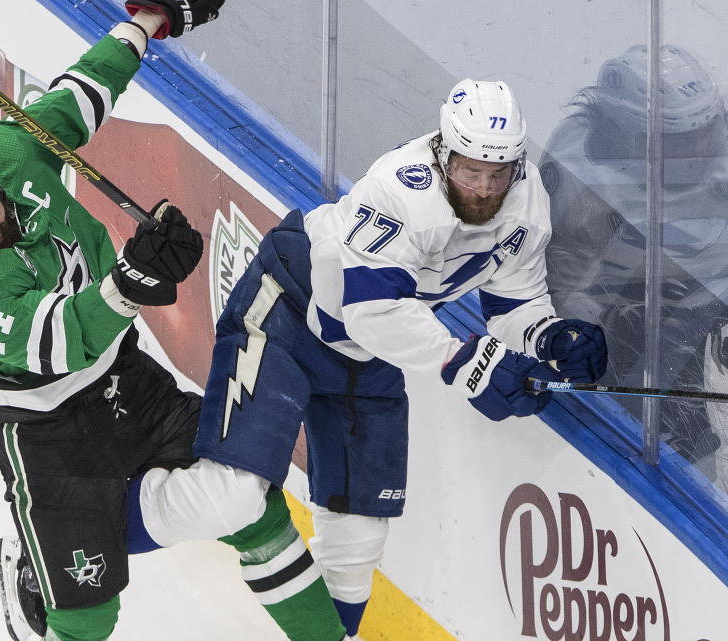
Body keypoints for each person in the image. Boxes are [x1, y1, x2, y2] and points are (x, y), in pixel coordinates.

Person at [0, 0, 349, 641]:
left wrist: (145, 21)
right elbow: (58, 340)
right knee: (87, 619)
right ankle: (49, 555)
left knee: (251, 497)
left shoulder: (4, 151)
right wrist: (131, 279)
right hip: (48, 430)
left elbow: (80, 95)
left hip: (127, 382)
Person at [167, 79, 610, 638]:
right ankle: (91, 533)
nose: (484, 188)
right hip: (291, 313)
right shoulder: (401, 188)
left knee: (358, 541)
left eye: (498, 174)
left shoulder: (527, 204)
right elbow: (372, 310)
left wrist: (550, 337)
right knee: (229, 495)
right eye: (471, 171)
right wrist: (468, 364)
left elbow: (516, 302)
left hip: (368, 357)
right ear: (443, 151)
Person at [539, 44, 728, 488]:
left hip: (710, 289)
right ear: (630, 135)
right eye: (681, 141)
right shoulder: (582, 173)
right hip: (626, 301)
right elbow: (563, 284)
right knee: (649, 416)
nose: (701, 147)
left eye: (708, 129)